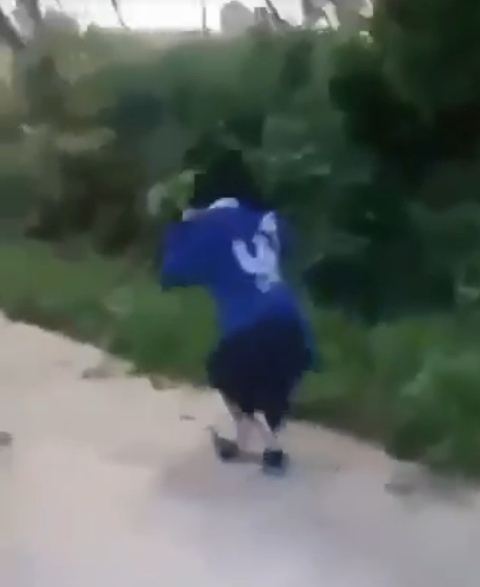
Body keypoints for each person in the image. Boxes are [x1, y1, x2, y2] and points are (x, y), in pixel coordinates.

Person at [159, 149, 318, 475]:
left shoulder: (208, 224)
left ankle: (272, 449)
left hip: (250, 325)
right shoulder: (267, 219)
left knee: (229, 377)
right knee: (262, 383)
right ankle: (242, 444)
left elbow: (173, 271)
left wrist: (181, 227)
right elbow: (289, 242)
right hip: (292, 324)